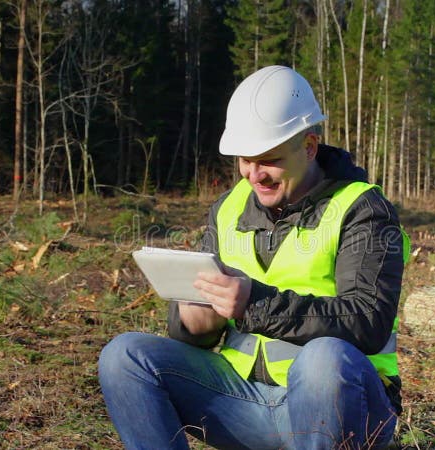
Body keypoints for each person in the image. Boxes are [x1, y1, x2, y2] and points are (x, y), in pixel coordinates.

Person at [99, 65, 408, 450]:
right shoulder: (228, 208)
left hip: (347, 410)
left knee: (324, 360)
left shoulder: (362, 209)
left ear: (309, 147)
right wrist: (195, 321)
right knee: (124, 356)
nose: (254, 174)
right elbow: (197, 330)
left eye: (268, 160)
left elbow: (367, 320)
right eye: (245, 160)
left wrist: (252, 302)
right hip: (244, 404)